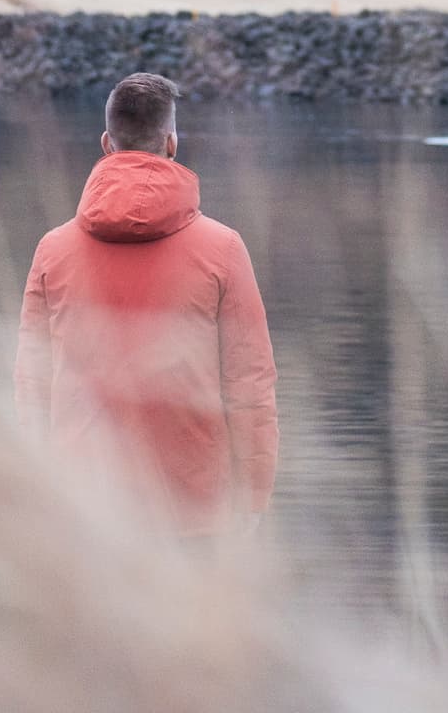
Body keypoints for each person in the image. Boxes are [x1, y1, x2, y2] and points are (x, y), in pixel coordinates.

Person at [15, 71, 278, 533]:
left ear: (105, 142)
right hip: (194, 513)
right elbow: (249, 384)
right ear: (172, 143)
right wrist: (253, 497)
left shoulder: (52, 251)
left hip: (82, 506)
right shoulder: (224, 249)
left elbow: (31, 384)